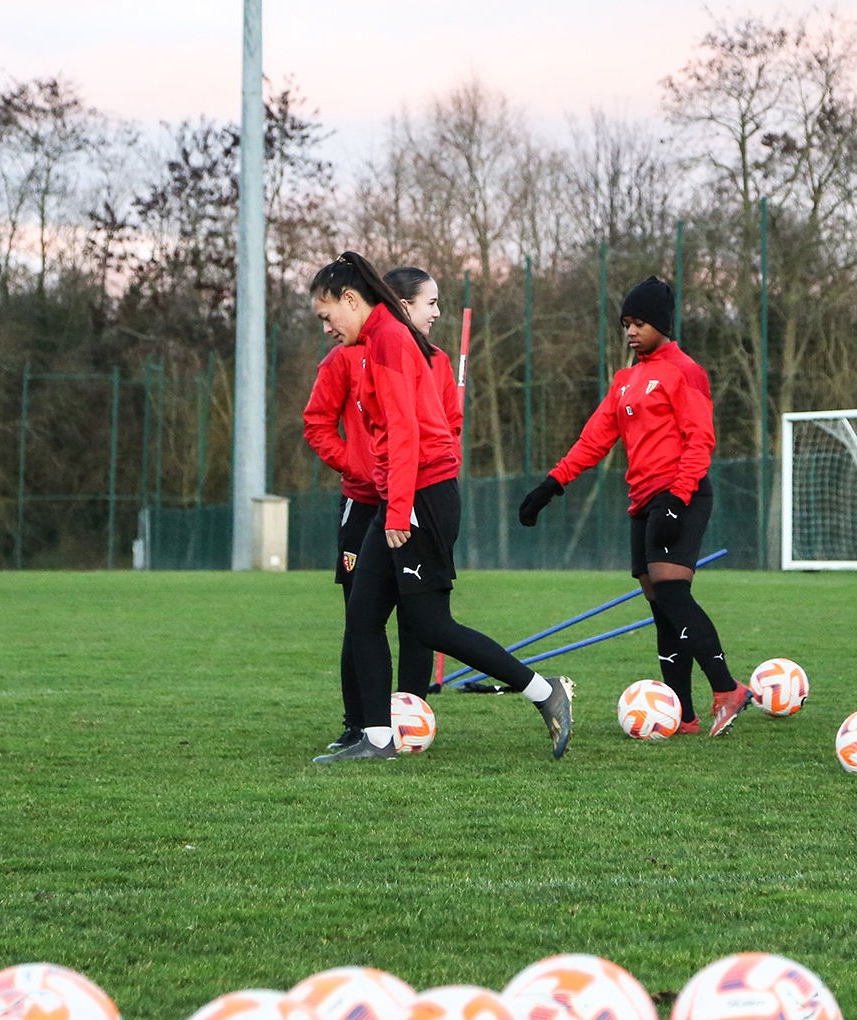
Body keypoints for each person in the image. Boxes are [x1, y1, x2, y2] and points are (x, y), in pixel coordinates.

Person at [308, 251, 575, 762]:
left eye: (327, 316)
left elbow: (406, 432)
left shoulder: (387, 339)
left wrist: (396, 511)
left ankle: (545, 692)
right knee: (363, 615)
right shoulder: (377, 339)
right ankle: (377, 739)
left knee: (429, 625)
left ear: (350, 299)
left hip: (422, 497)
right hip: (402, 493)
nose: (326, 328)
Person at [517, 276, 750, 737]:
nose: (630, 330)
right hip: (642, 501)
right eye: (626, 323)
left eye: (640, 322)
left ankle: (727, 689)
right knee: (659, 605)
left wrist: (677, 499)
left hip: (680, 495)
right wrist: (550, 486)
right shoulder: (625, 381)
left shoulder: (686, 371)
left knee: (672, 593)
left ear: (662, 324)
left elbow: (701, 440)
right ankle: (683, 714)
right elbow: (593, 441)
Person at [303, 300, 433, 752]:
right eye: (428, 303)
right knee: (360, 615)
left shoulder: (423, 356)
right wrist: (356, 466)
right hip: (363, 503)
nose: (434, 313)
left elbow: (436, 426)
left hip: (415, 499)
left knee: (420, 616)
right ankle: (358, 724)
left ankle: (414, 718)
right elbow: (316, 423)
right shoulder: (342, 357)